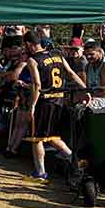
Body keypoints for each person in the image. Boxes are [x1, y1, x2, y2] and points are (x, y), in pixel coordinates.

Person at [23, 30, 86, 182]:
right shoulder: (58, 54)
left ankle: (40, 173)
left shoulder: (33, 60)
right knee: (51, 136)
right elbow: (71, 73)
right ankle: (75, 160)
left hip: (44, 102)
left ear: (29, 45)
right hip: (59, 101)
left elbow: (37, 84)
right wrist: (85, 89)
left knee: (36, 138)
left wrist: (32, 106)